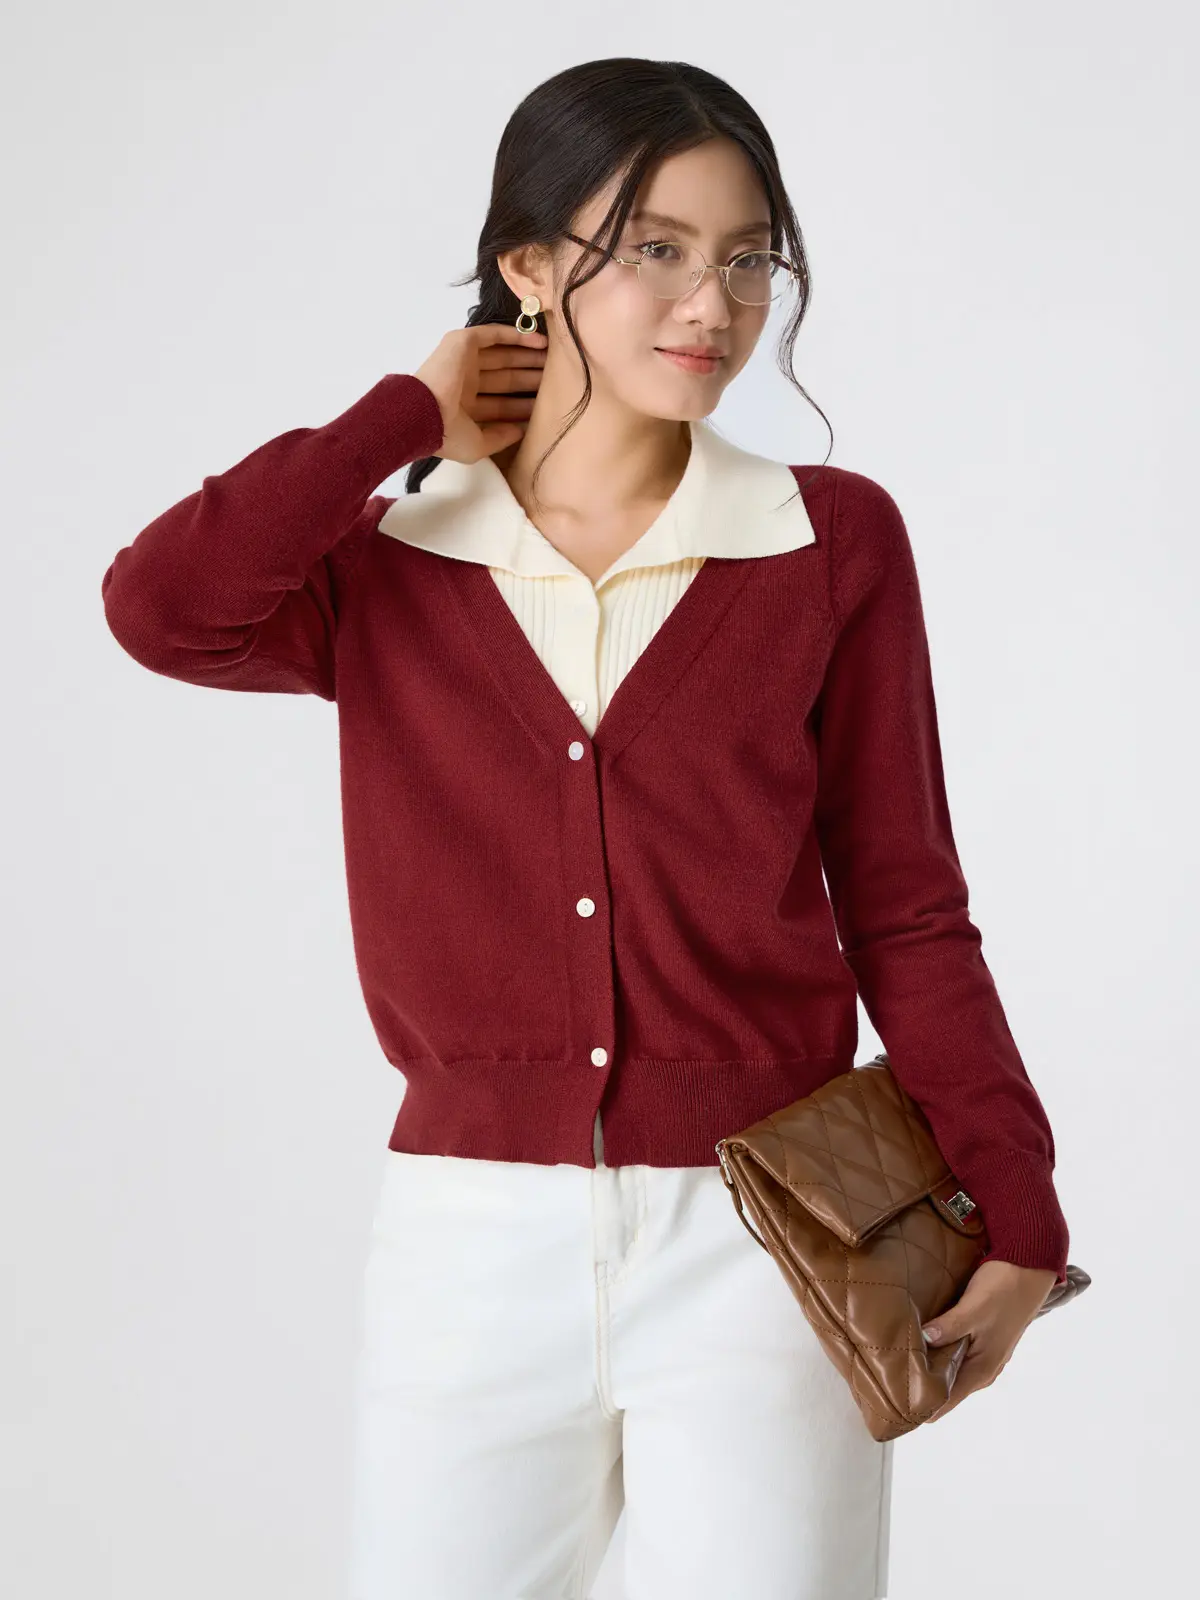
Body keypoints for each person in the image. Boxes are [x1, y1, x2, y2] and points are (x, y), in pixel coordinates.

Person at [100, 56, 1070, 1600]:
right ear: (531, 268)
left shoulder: (828, 541)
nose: (712, 303)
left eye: (747, 257)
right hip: (468, 1248)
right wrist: (399, 418)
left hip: (771, 1239)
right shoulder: (391, 567)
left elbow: (906, 904)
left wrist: (1015, 1198)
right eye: (656, 249)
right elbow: (160, 608)